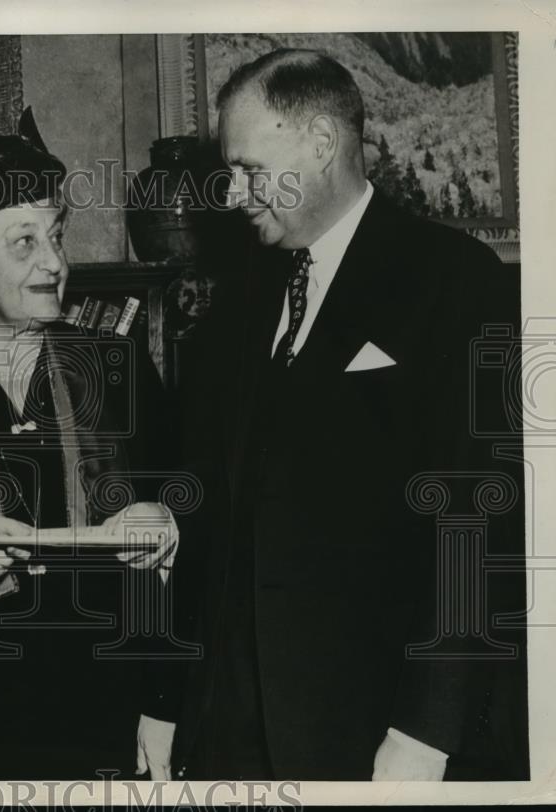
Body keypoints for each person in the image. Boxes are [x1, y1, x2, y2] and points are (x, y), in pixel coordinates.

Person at [170, 49, 527, 780]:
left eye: (249, 170)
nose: (235, 194)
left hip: (378, 729)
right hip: (237, 730)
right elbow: (217, 525)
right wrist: (171, 701)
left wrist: (428, 731)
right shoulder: (242, 299)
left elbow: (479, 520)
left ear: (322, 145)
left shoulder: (455, 281)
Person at [0, 110, 186, 780]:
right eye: (24, 243)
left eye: (56, 236)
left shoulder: (118, 367)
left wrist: (168, 523)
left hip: (111, 711)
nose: (54, 263)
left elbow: (201, 521)